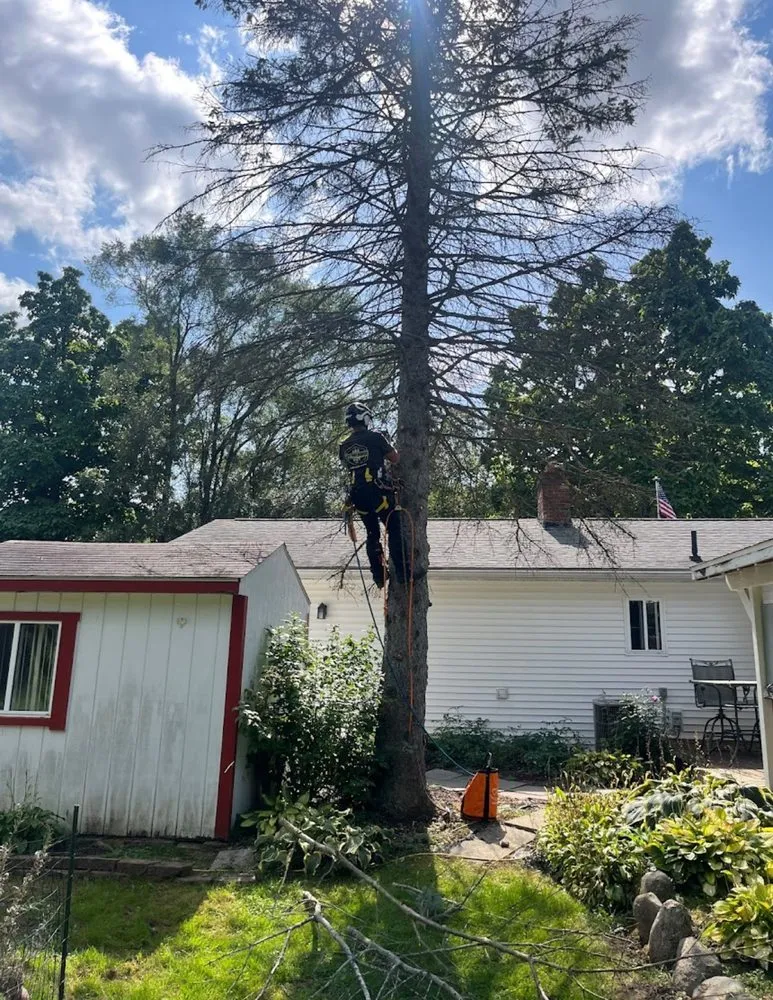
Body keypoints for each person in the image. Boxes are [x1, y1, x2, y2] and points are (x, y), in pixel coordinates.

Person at [339, 402, 408, 588]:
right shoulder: (376, 438)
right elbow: (395, 458)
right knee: (393, 528)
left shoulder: (344, 445)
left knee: (372, 534)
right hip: (378, 493)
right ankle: (403, 573)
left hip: (357, 496)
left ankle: (378, 575)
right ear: (366, 418)